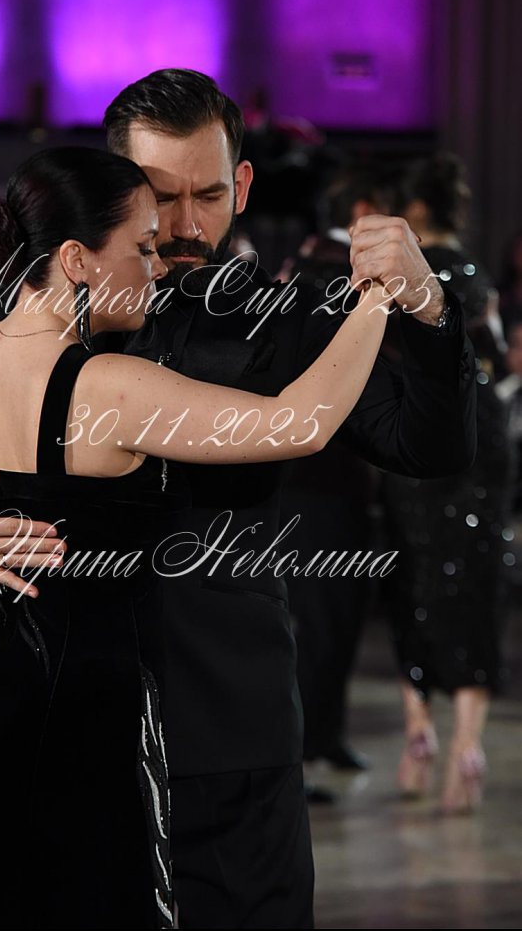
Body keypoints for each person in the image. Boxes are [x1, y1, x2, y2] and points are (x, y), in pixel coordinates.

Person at [0, 70, 477, 929]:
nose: (187, 225)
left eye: (209, 194)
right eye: (161, 199)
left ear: (243, 184)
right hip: (70, 731)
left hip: (227, 732)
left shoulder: (287, 320)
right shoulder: (57, 309)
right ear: (118, 189)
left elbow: (429, 446)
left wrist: (426, 308)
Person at [380, 152, 515, 813]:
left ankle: (418, 731)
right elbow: (496, 358)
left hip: (416, 428)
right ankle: (468, 744)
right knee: (473, 580)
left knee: (413, 575)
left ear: (413, 209)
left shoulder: (402, 272)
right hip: (480, 434)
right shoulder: (474, 272)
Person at [280, 165, 394, 799]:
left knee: (341, 617)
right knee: (317, 623)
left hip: (341, 479)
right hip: (315, 480)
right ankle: (298, 750)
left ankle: (324, 735)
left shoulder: (316, 265)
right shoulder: (322, 269)